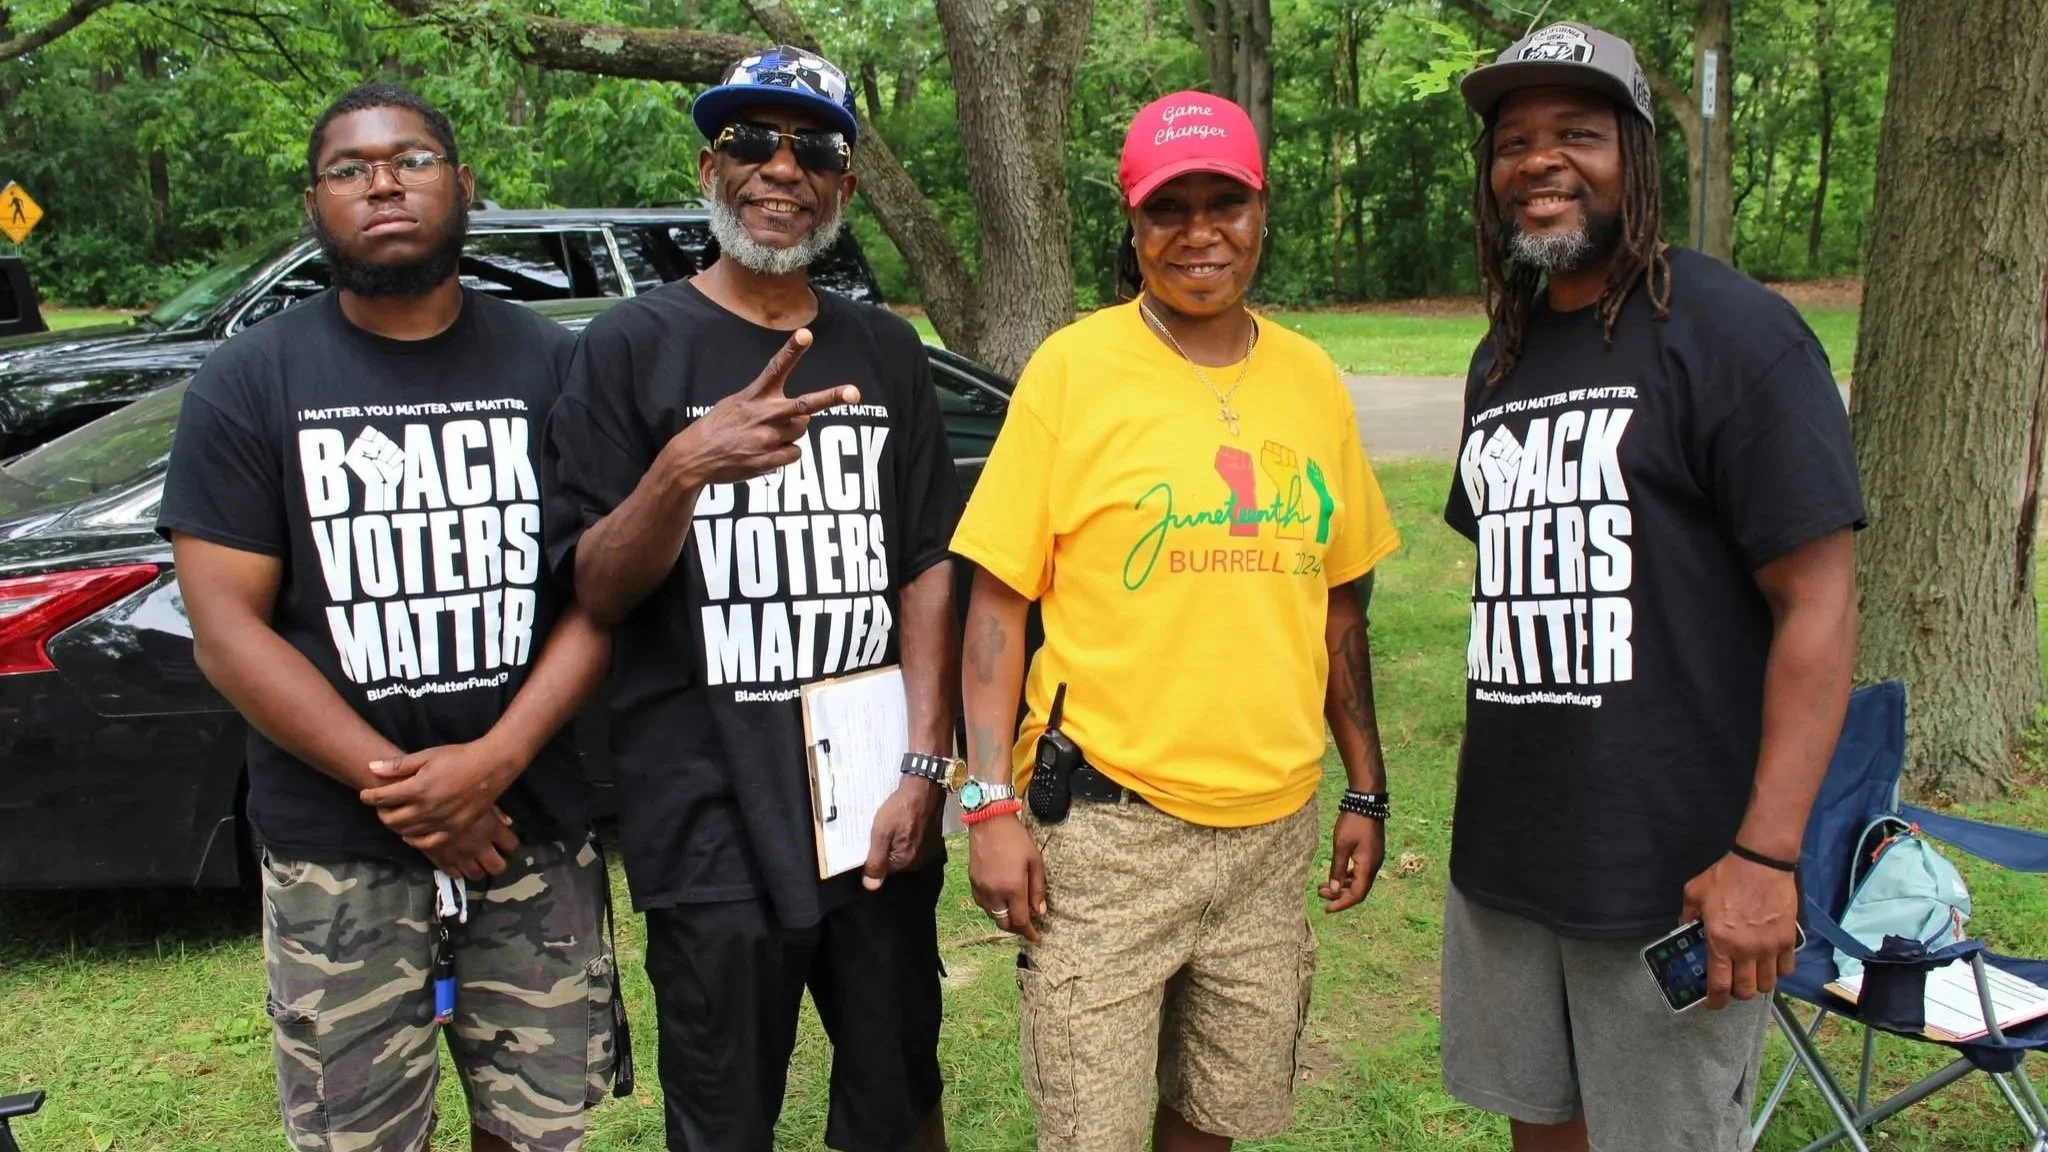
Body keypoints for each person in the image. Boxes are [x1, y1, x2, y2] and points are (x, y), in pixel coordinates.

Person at [158, 83, 619, 1152]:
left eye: (411, 159)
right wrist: (415, 796)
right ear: (313, 204)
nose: (382, 184)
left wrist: (492, 765)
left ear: (464, 184)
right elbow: (229, 633)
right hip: (336, 854)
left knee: (543, 1130)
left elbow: (600, 597)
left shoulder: (555, 367)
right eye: (350, 169)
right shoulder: (247, 382)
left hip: (528, 831)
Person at [1440, 22, 1865, 1152]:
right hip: (1513, 853)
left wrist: (1765, 858)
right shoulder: (1503, 356)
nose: (1538, 161)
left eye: (1575, 133)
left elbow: (1816, 602)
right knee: (1539, 1125)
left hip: (1677, 870)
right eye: (1513, 140)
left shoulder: (1732, 334)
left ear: (1633, 154)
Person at [953, 91, 1402, 1152]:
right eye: (1168, 209)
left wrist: (1367, 787)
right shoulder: (1074, 368)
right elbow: (993, 606)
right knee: (1090, 1130)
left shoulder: (1309, 378)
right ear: (1133, 223)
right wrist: (985, 804)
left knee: (1216, 1117)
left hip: (1269, 835)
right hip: (1107, 832)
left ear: (1259, 211)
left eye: (1223, 203)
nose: (1198, 232)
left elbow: (1339, 604)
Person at [542, 47, 960, 1152]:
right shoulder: (628, 346)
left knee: (897, 1095)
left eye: (813, 147)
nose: (781, 167)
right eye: (749, 141)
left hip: (871, 796)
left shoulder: (884, 349)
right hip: (705, 802)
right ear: (707, 166)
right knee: (725, 1117)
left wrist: (925, 766)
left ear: (845, 187)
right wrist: (684, 466)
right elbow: (593, 585)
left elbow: (925, 562)